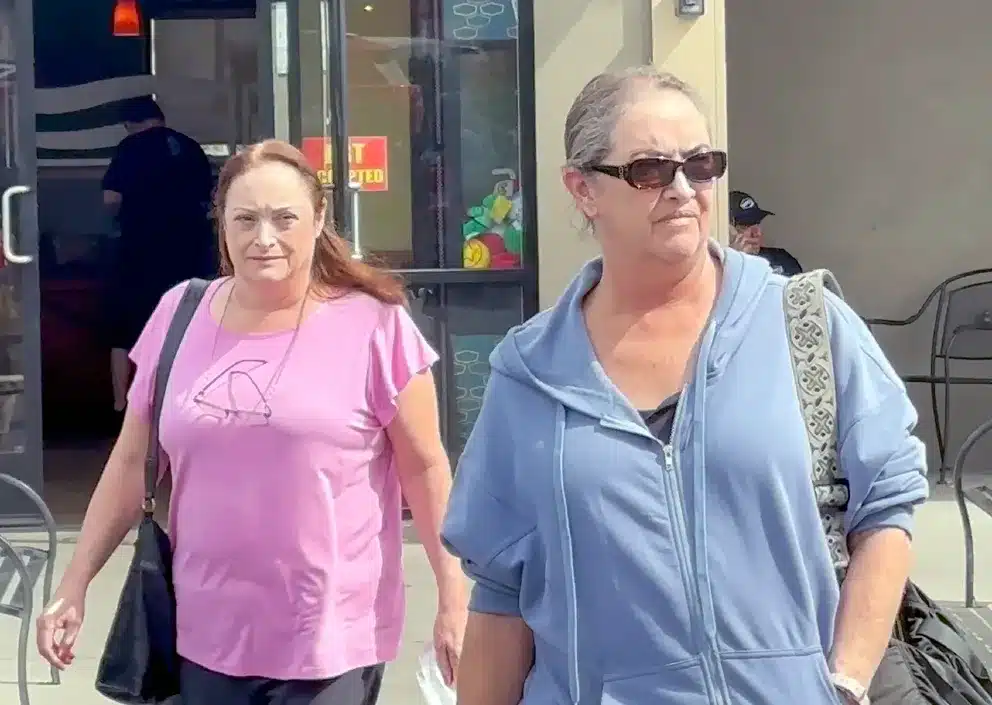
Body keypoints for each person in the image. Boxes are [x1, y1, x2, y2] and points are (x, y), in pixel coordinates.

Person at [442, 67, 928, 705]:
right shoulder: (531, 372)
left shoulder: (804, 324)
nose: (681, 189)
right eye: (649, 170)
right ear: (583, 190)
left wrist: (846, 682)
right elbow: (502, 593)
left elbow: (886, 507)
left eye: (700, 166)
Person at [38, 139, 467, 705]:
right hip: (204, 633)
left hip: (330, 639)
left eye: (284, 218)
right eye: (245, 219)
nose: (264, 238)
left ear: (318, 219)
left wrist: (454, 595)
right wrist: (74, 583)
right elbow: (130, 463)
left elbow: (425, 469)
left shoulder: (374, 324)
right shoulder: (179, 315)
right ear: (222, 225)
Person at [103, 96, 218, 411]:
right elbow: (209, 198)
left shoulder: (130, 148)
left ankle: (122, 405)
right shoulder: (190, 147)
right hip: (189, 251)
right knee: (183, 326)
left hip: (140, 251)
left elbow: (111, 198)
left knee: (124, 330)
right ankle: (181, 401)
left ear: (130, 124)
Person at [729, 189, 803, 275]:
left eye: (757, 223)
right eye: (745, 226)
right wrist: (736, 260)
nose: (757, 233)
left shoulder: (782, 259)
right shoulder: (721, 268)